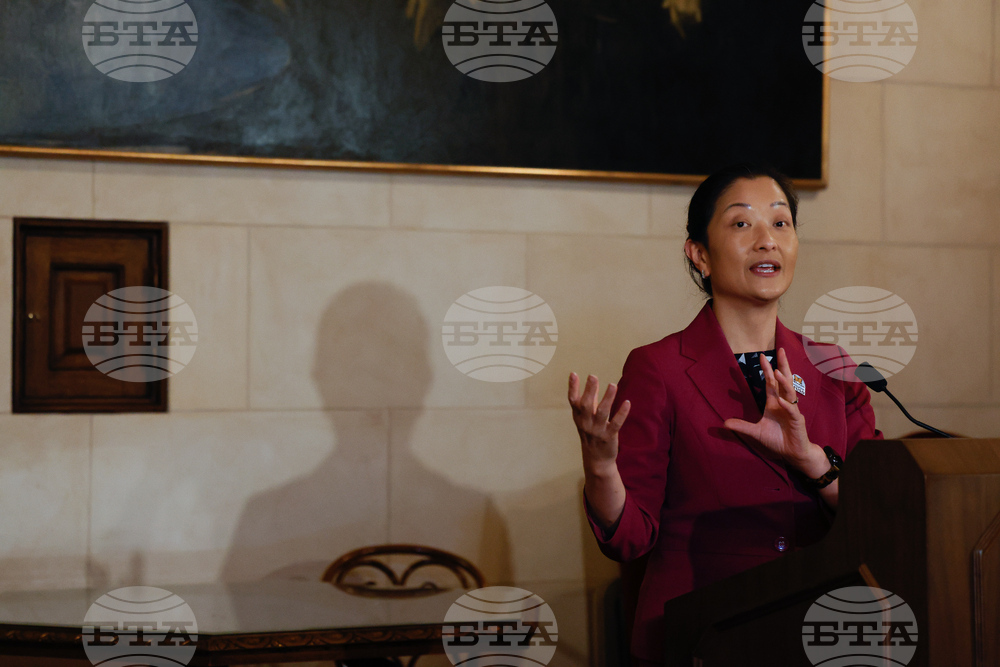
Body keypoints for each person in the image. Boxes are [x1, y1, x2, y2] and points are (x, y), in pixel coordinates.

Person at [568, 163, 882, 666]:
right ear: (699, 254)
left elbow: (879, 516)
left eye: (781, 223)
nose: (767, 241)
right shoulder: (660, 368)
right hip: (702, 637)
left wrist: (816, 465)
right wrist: (602, 468)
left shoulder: (836, 369)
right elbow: (630, 540)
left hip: (822, 631)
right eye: (742, 224)